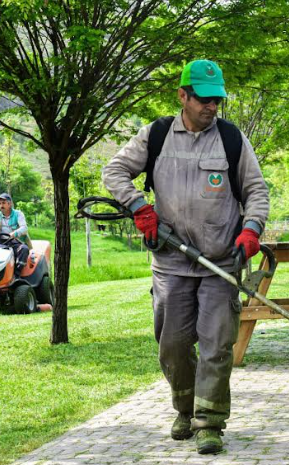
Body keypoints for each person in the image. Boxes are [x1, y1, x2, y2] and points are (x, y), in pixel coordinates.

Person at [102, 59, 269, 454]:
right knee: (173, 345)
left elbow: (256, 191)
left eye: (217, 100)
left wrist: (251, 230)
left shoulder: (230, 138)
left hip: (219, 263)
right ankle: (185, 407)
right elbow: (114, 172)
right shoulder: (157, 135)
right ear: (183, 96)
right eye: (204, 100)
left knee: (216, 345)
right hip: (171, 263)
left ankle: (209, 422)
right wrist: (141, 209)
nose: (212, 107)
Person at [0, 193, 31, 271]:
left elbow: (24, 228)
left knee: (24, 249)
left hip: (16, 242)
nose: (1, 205)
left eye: (3, 203)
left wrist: (15, 233)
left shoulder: (18, 214)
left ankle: (17, 272)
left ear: (9, 204)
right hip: (1, 243)